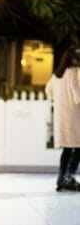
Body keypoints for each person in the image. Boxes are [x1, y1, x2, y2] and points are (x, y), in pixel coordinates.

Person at [45, 46, 80, 191]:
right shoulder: (73, 72)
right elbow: (76, 94)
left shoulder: (56, 75)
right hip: (73, 116)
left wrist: (57, 101)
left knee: (67, 148)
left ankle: (61, 178)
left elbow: (48, 91)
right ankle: (69, 176)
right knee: (78, 146)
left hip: (61, 116)